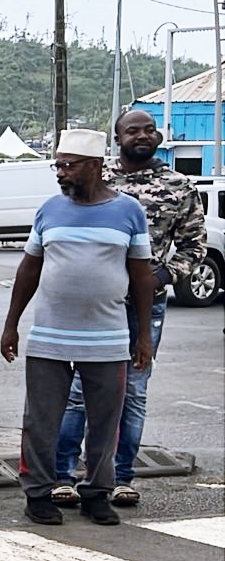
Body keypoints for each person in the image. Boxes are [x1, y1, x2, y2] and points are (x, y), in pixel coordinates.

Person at [53, 109, 206, 509]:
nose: (143, 135)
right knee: (77, 393)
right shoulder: (98, 181)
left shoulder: (178, 185)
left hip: (144, 307)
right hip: (92, 306)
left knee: (133, 392)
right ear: (117, 139)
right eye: (132, 130)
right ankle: (64, 475)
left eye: (149, 129)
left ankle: (122, 477)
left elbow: (195, 245)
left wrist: (163, 277)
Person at [2, 128, 154, 527]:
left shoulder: (129, 212)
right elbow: (29, 268)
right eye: (58, 166)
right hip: (50, 338)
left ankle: (97, 493)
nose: (61, 173)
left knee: (106, 420)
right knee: (40, 420)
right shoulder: (49, 210)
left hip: (108, 339)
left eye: (68, 166)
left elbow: (141, 277)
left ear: (95, 166)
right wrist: (11, 325)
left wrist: (142, 337)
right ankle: (38, 493)